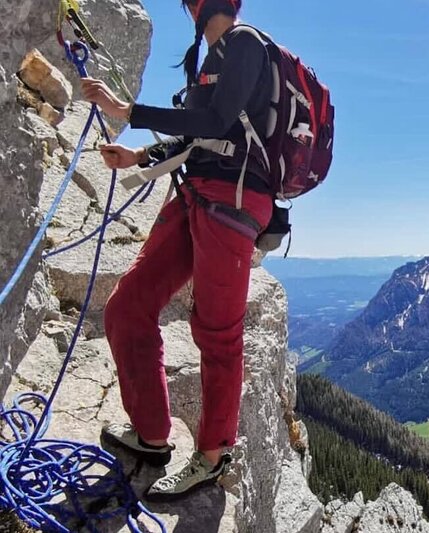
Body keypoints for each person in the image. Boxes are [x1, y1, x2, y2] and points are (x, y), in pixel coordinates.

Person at [81, 0, 274, 501]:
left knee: (216, 333)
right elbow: (198, 134)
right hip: (197, 195)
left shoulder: (246, 43)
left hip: (231, 203)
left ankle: (212, 457)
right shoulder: (210, 60)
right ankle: (151, 435)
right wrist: (138, 155)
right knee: (127, 305)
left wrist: (129, 113)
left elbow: (214, 120)